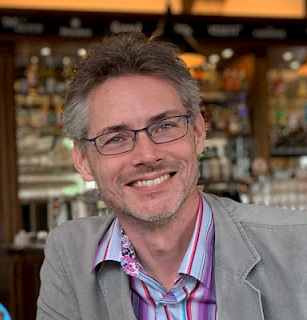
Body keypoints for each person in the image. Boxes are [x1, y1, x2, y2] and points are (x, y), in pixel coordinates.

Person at [36, 32, 307, 320]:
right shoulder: (69, 254)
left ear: (199, 133)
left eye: (165, 126)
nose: (147, 156)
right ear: (83, 161)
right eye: (115, 138)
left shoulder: (298, 246)